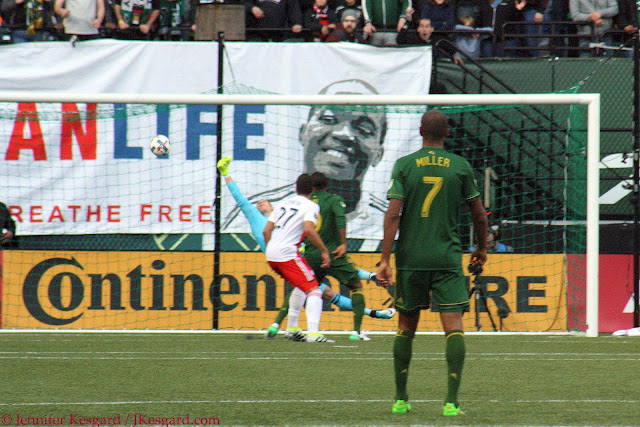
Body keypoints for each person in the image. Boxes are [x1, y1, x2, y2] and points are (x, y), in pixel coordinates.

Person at [377, 110, 488, 416]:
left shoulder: (404, 165)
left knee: (405, 327)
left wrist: (385, 260)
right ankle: (451, 402)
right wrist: (481, 247)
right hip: (447, 258)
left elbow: (393, 215)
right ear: (448, 133)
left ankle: (401, 399)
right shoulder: (461, 166)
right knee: (453, 327)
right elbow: (479, 215)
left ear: (420, 130)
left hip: (411, 258)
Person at [216, 157, 395, 339]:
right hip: (291, 256)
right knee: (315, 290)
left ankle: (285, 326)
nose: (261, 203)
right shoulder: (264, 216)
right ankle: (312, 332)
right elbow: (243, 202)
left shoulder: (283, 208)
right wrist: (226, 174)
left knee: (318, 291)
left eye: (265, 201)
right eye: (258, 202)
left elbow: (281, 231)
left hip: (290, 256)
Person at [222, 79, 388, 239]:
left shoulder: (387, 219)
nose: (343, 134)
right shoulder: (256, 210)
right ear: (303, 133)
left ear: (378, 155)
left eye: (363, 129)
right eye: (329, 119)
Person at [263, 173, 333, 343]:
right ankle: (313, 334)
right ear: (313, 190)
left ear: (295, 188)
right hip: (287, 253)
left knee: (301, 286)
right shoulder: (311, 206)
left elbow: (266, 231)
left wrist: (272, 250)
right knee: (314, 290)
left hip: (271, 252)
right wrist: (324, 250)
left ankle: (292, 328)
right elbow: (309, 229)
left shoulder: (282, 203)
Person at [303, 171, 372, 340]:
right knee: (356, 286)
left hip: (311, 254)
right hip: (333, 254)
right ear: (327, 185)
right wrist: (343, 244)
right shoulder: (334, 200)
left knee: (305, 288)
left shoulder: (305, 203)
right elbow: (341, 220)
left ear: (311, 187)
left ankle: (282, 324)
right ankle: (356, 332)